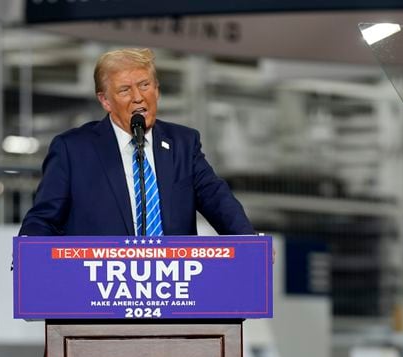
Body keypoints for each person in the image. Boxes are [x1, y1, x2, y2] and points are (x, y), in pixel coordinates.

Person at [19, 48, 254, 237]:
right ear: (105, 101)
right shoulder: (73, 149)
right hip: (99, 288)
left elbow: (216, 199)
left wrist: (248, 241)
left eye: (144, 85)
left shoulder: (183, 143)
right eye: (124, 90)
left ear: (157, 90)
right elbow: (44, 218)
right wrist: (29, 254)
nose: (138, 97)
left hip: (173, 285)